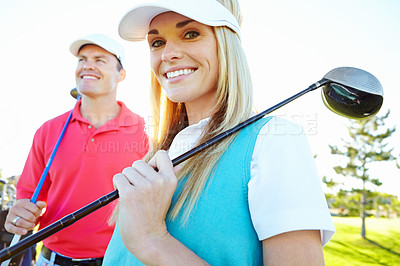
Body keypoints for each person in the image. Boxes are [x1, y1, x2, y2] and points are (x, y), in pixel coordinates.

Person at [104, 0, 336, 265]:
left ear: (227, 46)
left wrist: (152, 240)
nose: (168, 54)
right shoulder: (158, 154)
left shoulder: (274, 139)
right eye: (157, 42)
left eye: (191, 34)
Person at [4, 33, 149, 265]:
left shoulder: (144, 131)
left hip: (119, 259)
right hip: (52, 260)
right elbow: (27, 197)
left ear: (121, 74)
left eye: (99, 59)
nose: (87, 65)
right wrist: (21, 215)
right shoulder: (49, 130)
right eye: (82, 59)